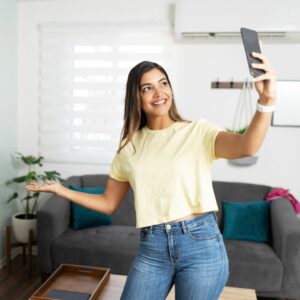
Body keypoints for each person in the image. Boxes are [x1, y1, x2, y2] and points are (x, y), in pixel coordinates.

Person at [26, 52, 276, 300]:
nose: (159, 93)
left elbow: (248, 146)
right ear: (136, 96)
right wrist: (62, 190)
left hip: (200, 244)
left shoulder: (197, 132)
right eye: (147, 88)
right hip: (152, 248)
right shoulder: (129, 146)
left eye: (163, 83)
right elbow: (108, 203)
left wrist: (266, 101)